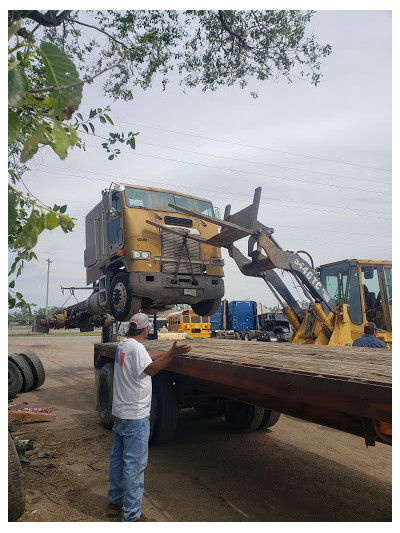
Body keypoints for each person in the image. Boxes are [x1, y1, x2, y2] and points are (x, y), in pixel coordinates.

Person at [107, 312, 192, 521]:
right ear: (146, 329)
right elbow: (152, 369)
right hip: (135, 416)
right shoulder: (137, 349)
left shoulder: (124, 345)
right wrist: (171, 353)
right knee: (134, 467)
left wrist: (161, 353)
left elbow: (142, 358)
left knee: (118, 460)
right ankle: (132, 516)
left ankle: (115, 503)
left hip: (120, 413)